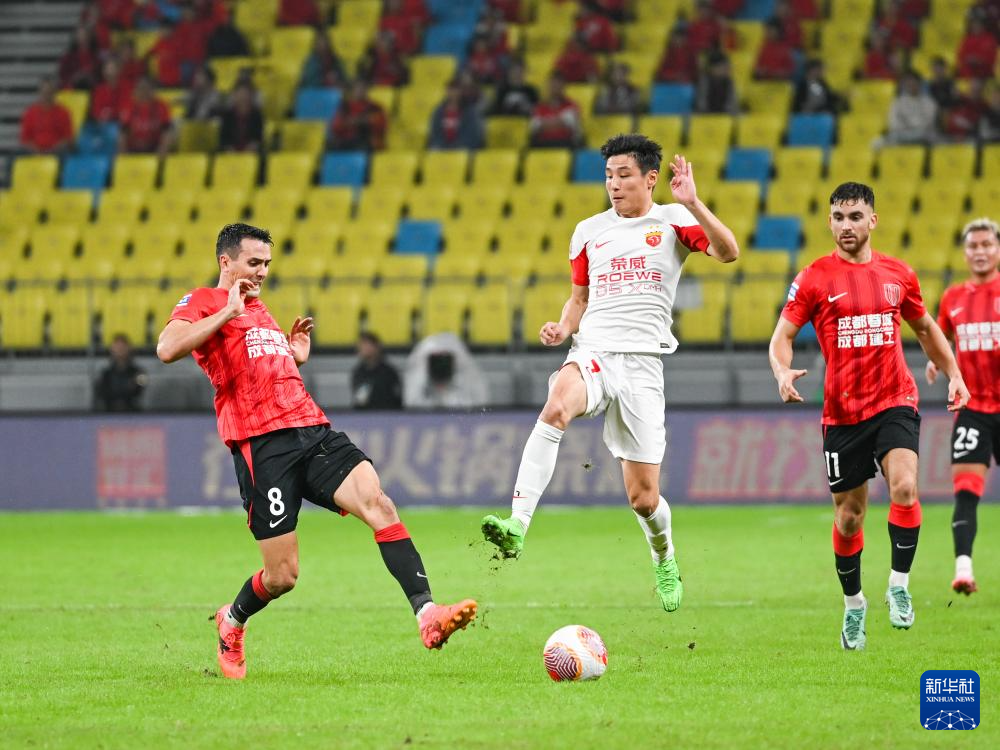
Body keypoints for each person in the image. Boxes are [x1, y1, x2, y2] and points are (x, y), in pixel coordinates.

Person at [156, 223, 476, 679]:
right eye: (253, 262)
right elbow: (167, 348)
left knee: (379, 504)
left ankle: (428, 614)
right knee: (282, 576)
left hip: (311, 429)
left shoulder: (259, 308)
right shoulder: (206, 301)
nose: (262, 272)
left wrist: (292, 356)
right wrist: (227, 312)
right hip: (263, 446)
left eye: (267, 264)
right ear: (225, 261)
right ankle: (233, 620)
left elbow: (257, 367)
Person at [480, 135, 740, 614]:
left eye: (624, 175)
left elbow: (728, 252)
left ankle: (664, 557)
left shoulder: (674, 220)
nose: (614, 185)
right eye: (608, 176)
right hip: (594, 351)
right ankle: (517, 524)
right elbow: (579, 298)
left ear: (650, 178)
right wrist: (563, 328)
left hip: (643, 366)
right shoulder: (588, 231)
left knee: (643, 499)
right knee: (556, 404)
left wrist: (694, 202)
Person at [768, 182, 969, 651]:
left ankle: (898, 585)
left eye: (855, 216)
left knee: (905, 487)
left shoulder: (899, 274)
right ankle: (854, 604)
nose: (846, 226)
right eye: (838, 217)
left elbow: (926, 328)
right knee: (849, 518)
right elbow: (782, 336)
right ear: (829, 222)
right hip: (842, 415)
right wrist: (781, 370)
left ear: (872, 220)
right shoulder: (814, 278)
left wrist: (955, 373)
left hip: (895, 400)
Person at [925, 218, 1000, 595]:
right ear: (965, 252)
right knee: (966, 489)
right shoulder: (952, 297)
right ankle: (963, 570)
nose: (980, 251)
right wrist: (936, 360)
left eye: (987, 244)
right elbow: (939, 336)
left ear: (998, 249)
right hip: (972, 408)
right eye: (973, 246)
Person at [402, 332, 488, 410]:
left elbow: (479, 404)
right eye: (435, 361)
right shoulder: (420, 371)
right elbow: (410, 403)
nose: (441, 365)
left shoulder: (467, 376)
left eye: (446, 360)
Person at [19, 77, 74, 154]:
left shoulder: (63, 113)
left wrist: (53, 150)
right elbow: (25, 139)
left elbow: (68, 138)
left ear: (54, 93)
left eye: (49, 93)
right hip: (35, 152)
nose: (47, 96)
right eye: (44, 93)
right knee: (13, 156)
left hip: (56, 152)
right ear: (39, 93)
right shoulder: (30, 113)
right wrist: (36, 150)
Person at [94, 333, 147, 412]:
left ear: (129, 348)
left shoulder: (138, 373)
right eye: (117, 347)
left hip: (132, 412)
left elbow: (138, 391)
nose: (120, 350)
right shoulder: (105, 374)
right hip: (108, 412)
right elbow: (102, 393)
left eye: (122, 347)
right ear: (111, 349)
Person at [330, 79, 388, 151]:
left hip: (367, 142)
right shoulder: (344, 107)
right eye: (357, 88)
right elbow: (335, 127)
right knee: (331, 146)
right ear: (352, 90)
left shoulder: (375, 107)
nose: (360, 91)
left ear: (367, 90)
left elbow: (381, 125)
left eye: (363, 88)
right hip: (346, 141)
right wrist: (354, 122)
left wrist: (361, 121)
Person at [351, 332, 403, 410]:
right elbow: (358, 400)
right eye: (361, 346)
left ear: (377, 347)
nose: (363, 349)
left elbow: (397, 400)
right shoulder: (358, 373)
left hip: (386, 414)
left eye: (367, 345)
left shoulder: (389, 372)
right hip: (364, 415)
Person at [885, 71, 938, 144]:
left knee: (930, 135)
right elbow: (893, 121)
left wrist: (914, 127)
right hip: (902, 134)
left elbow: (929, 122)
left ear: (919, 84)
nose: (911, 85)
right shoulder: (897, 102)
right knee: (879, 141)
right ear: (904, 85)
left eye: (914, 83)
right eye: (908, 83)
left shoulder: (929, 102)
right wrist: (906, 129)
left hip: (923, 135)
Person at [428, 82, 484, 150]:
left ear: (461, 92)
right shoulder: (438, 111)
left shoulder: (471, 112)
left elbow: (472, 135)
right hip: (442, 148)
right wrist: (443, 147)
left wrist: (455, 147)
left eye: (456, 90)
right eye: (450, 90)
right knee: (434, 149)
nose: (453, 94)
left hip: (464, 148)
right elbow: (435, 134)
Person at [219, 81, 264, 153]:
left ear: (252, 95)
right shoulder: (227, 115)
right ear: (234, 95)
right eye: (240, 93)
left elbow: (258, 138)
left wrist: (250, 149)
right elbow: (224, 138)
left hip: (251, 153)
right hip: (230, 153)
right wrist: (229, 149)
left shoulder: (257, 115)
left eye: (246, 94)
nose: (243, 97)